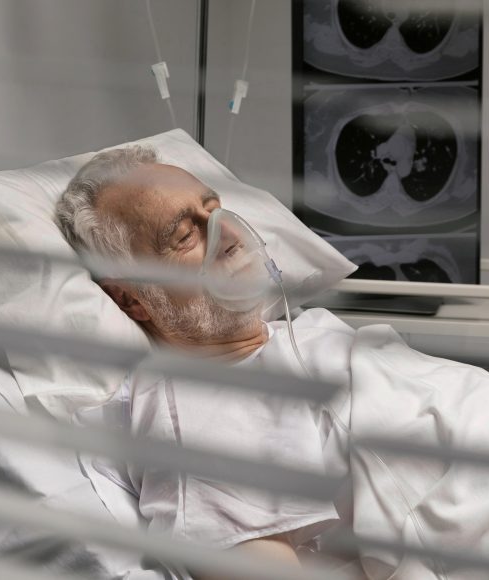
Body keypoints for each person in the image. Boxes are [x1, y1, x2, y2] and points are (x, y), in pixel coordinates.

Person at [55, 145, 357, 578]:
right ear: (131, 299)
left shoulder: (310, 330)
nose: (229, 235)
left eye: (216, 211)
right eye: (185, 236)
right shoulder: (197, 412)